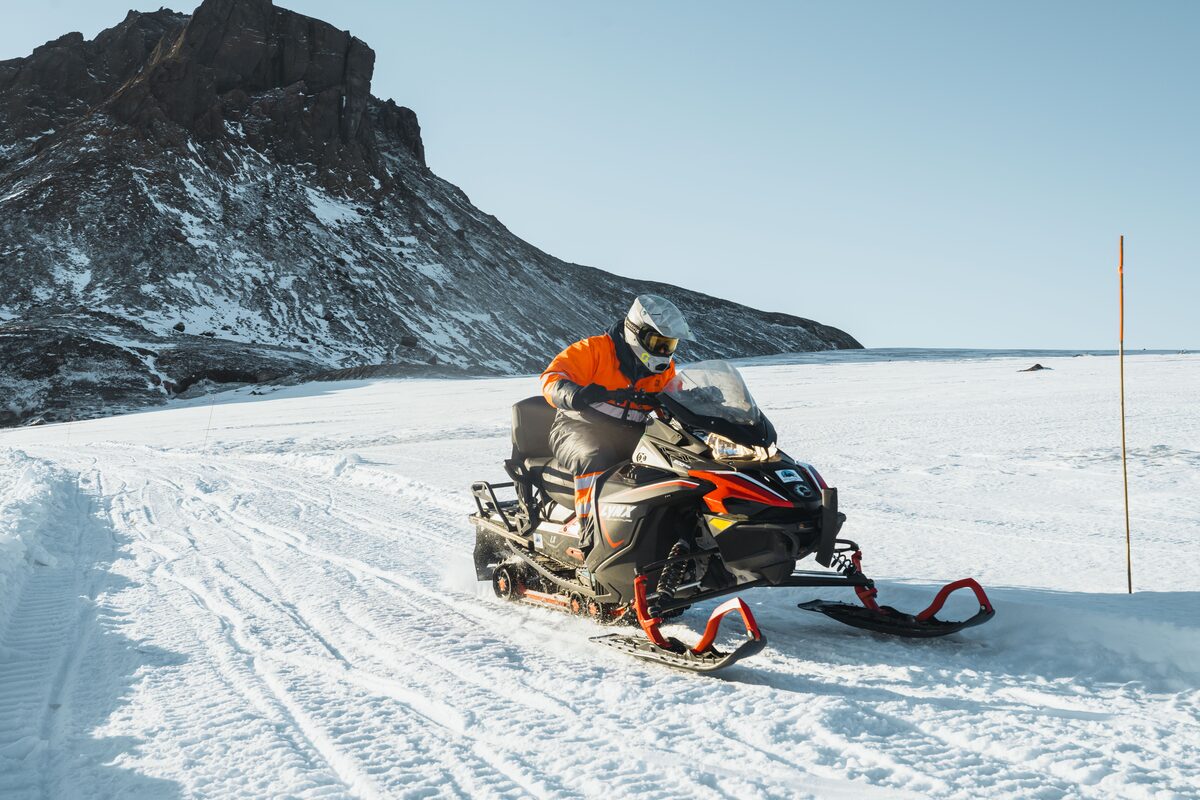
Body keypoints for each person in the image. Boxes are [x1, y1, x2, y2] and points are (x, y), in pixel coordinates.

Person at [540, 294, 693, 545]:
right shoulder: (594, 349)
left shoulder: (664, 370)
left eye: (670, 345)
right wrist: (573, 393)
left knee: (674, 463)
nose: (664, 352)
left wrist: (698, 402)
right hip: (577, 427)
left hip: (633, 432)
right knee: (595, 456)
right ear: (636, 333)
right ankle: (592, 535)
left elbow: (675, 398)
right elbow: (551, 376)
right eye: (658, 343)